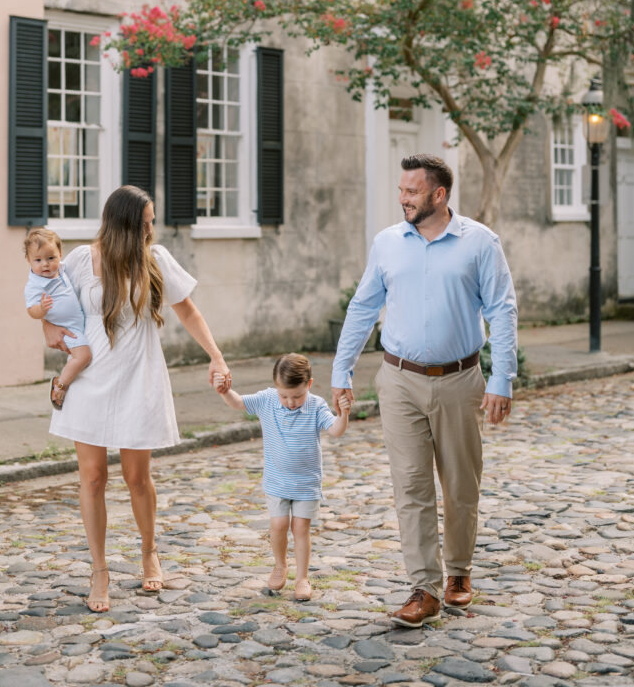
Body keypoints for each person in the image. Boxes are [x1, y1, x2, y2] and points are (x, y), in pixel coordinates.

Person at [331, 154, 517, 628]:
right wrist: (341, 369)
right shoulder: (387, 243)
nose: (403, 198)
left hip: (459, 380)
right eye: (401, 190)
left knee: (460, 484)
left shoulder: (480, 243)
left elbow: (502, 309)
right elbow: (362, 307)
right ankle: (424, 588)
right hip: (398, 379)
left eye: (411, 191)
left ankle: (458, 572)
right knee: (410, 485)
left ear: (439, 194)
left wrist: (502, 377)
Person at [42, 184, 231, 614]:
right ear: (124, 223)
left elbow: (188, 311)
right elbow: (46, 295)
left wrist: (216, 357)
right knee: (92, 478)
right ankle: (99, 570)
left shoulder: (155, 259)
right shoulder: (80, 260)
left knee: (136, 477)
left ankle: (149, 551)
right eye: (145, 223)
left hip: (138, 376)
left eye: (151, 223)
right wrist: (47, 328)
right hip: (89, 379)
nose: (150, 230)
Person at [214, 353, 351, 601]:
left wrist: (344, 414)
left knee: (300, 529)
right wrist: (225, 391)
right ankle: (280, 565)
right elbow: (238, 403)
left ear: (309, 384)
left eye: (297, 396)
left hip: (306, 483)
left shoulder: (316, 405)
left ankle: (302, 578)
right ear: (276, 387)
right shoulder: (267, 399)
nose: (290, 402)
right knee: (278, 526)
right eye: (284, 396)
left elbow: (336, 430)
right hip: (277, 481)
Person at [24, 227, 92, 409]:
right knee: (84, 357)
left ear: (60, 255)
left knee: (83, 361)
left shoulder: (62, 270)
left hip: (79, 323)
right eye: (38, 260)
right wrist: (41, 309)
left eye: (50, 258)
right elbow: (31, 310)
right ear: (29, 260)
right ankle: (60, 385)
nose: (45, 264)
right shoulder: (34, 285)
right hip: (66, 329)